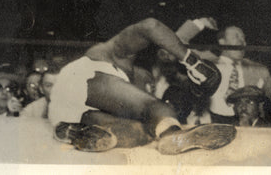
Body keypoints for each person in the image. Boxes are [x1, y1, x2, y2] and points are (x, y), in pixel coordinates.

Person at [47, 17, 236, 154]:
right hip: (80, 79)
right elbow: (151, 26)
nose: (167, 56)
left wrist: (195, 83)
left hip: (65, 111)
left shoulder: (141, 75)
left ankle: (72, 131)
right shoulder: (117, 52)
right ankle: (173, 135)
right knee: (157, 110)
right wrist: (192, 61)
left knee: (138, 134)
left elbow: (170, 47)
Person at [177, 22, 271, 124]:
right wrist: (200, 22)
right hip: (209, 123)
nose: (242, 41)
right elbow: (175, 43)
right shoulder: (206, 62)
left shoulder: (257, 69)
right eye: (236, 36)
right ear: (222, 41)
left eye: (244, 38)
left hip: (246, 127)